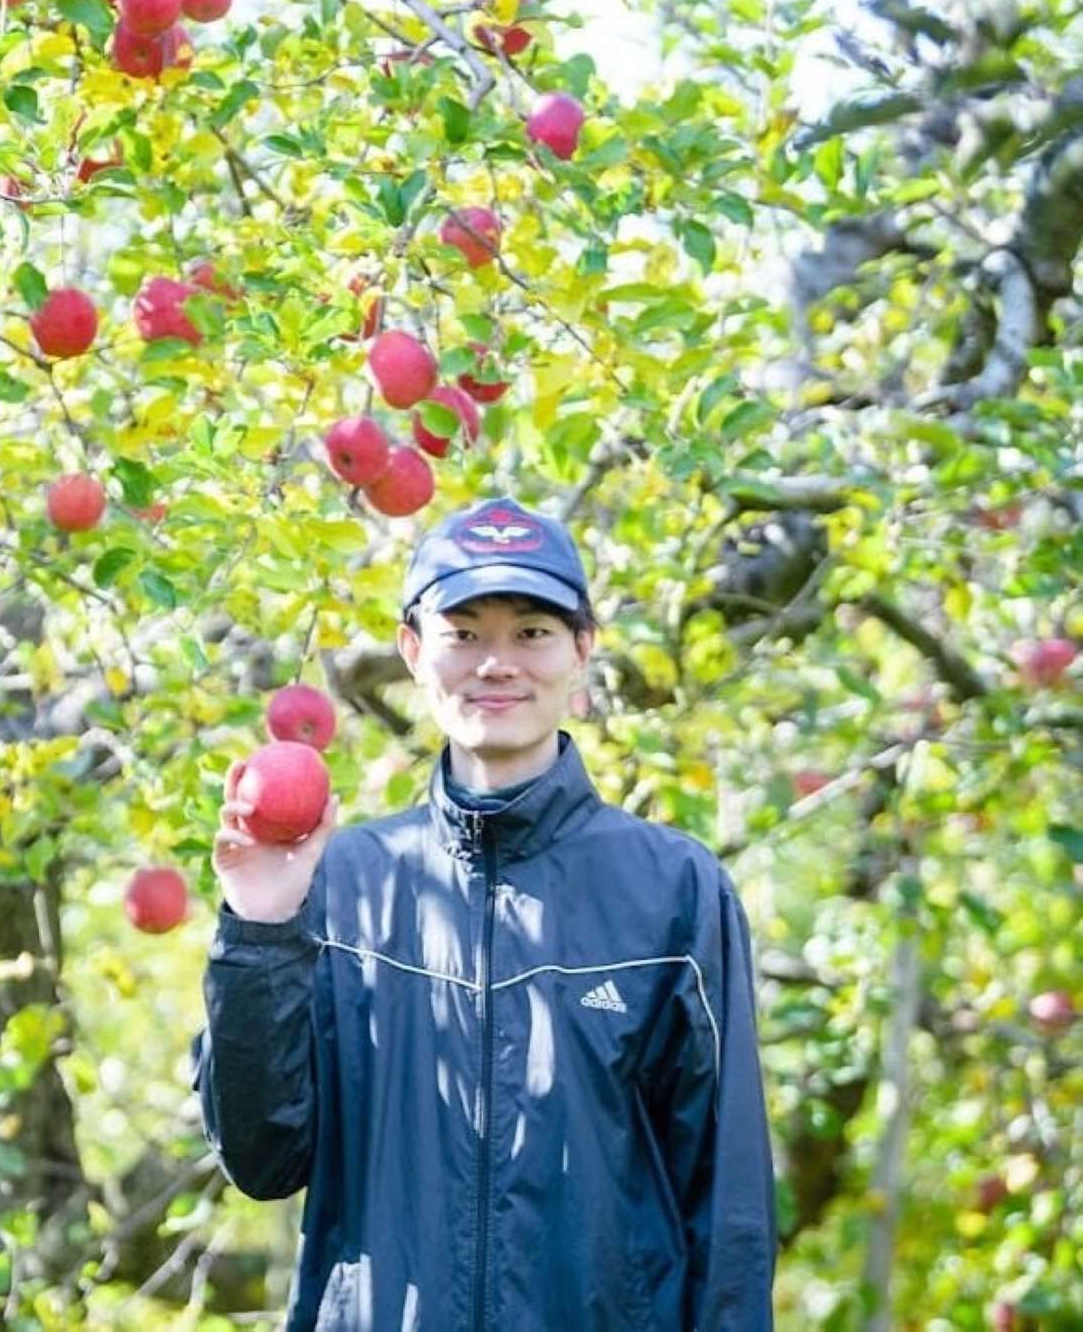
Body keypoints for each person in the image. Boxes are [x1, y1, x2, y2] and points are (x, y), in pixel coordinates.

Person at [191, 496, 778, 1330]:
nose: (496, 663)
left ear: (582, 652)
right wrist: (257, 927)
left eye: (531, 632)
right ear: (413, 652)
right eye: (464, 632)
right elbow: (261, 1159)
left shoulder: (674, 891)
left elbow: (730, 1215)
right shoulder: (341, 882)